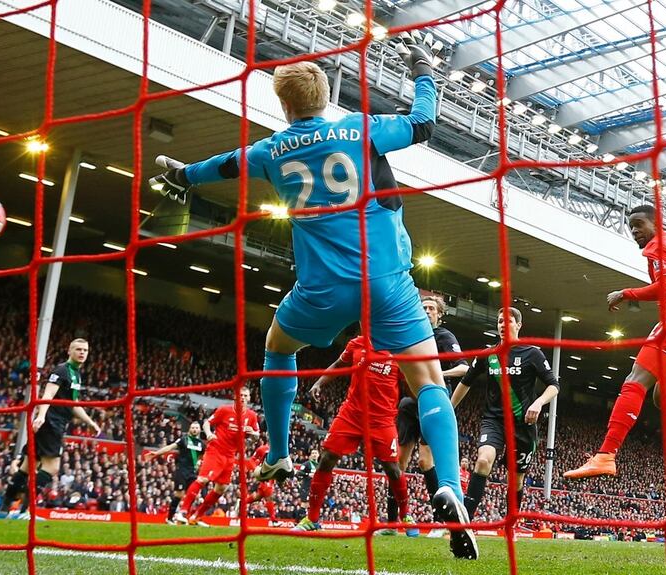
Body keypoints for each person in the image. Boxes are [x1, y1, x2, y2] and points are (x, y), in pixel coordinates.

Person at [149, 35, 475, 559]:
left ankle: (278, 453)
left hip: (320, 288)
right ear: (327, 95)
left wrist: (182, 177)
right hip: (387, 282)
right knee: (429, 383)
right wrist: (420, 69)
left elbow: (223, 165)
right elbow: (424, 122)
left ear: (284, 104)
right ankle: (452, 490)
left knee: (278, 348)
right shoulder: (360, 128)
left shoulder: (270, 150)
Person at [564, 205, 666, 480]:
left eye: (639, 224)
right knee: (662, 397)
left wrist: (625, 293)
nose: (634, 231)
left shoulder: (657, 247)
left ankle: (605, 456)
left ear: (656, 223)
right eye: (631, 226)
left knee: (635, 381)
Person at [293, 336, 417, 536]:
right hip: (351, 414)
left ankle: (406, 516)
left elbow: (410, 384)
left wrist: (424, 403)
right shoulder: (357, 343)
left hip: (382, 420)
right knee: (326, 458)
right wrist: (319, 382)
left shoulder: (398, 350)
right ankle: (312, 519)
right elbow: (338, 364)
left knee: (393, 469)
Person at [449, 307, 559, 521]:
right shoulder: (488, 355)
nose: (502, 325)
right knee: (483, 460)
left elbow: (554, 385)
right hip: (494, 420)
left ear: (519, 325)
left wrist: (538, 402)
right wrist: (450, 408)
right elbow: (466, 381)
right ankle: (464, 521)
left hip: (523, 424)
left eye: (508, 321)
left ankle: (511, 524)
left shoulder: (532, 353)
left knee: (515, 480)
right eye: (500, 321)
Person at [0, 339, 101, 518]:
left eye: (85, 350)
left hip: (53, 421)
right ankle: (25, 510)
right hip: (52, 422)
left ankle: (3, 508)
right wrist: (42, 415)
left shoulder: (76, 374)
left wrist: (90, 422)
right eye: (78, 349)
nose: (82, 353)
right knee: (52, 467)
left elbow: (73, 404)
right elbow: (48, 394)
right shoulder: (61, 370)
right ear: (69, 351)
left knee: (27, 467)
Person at [394, 295, 468, 537]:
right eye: (423, 307)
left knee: (426, 462)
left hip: (433, 402)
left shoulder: (444, 337)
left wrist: (436, 374)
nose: (427, 311)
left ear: (439, 314)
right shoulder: (412, 334)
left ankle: (441, 521)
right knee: (399, 463)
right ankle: (392, 521)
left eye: (431, 308)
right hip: (409, 403)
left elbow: (464, 367)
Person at [174, 388, 260, 526]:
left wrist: (253, 434)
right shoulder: (224, 410)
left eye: (245, 395)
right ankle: (182, 512)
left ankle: (196, 516)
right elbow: (207, 423)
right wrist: (209, 434)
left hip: (230, 456)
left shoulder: (252, 416)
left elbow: (256, 436)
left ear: (249, 398)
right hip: (216, 450)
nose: (243, 397)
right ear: (235, 397)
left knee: (221, 488)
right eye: (240, 395)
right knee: (203, 479)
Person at [143, 421, 205, 525]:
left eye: (196, 428)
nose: (194, 429)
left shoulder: (201, 444)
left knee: (192, 495)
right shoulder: (184, 439)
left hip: (193, 473)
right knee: (179, 495)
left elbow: (203, 456)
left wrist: (199, 461)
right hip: (182, 470)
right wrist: (156, 453)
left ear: (199, 430)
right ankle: (169, 518)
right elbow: (170, 447)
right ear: (190, 429)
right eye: (193, 428)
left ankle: (186, 517)